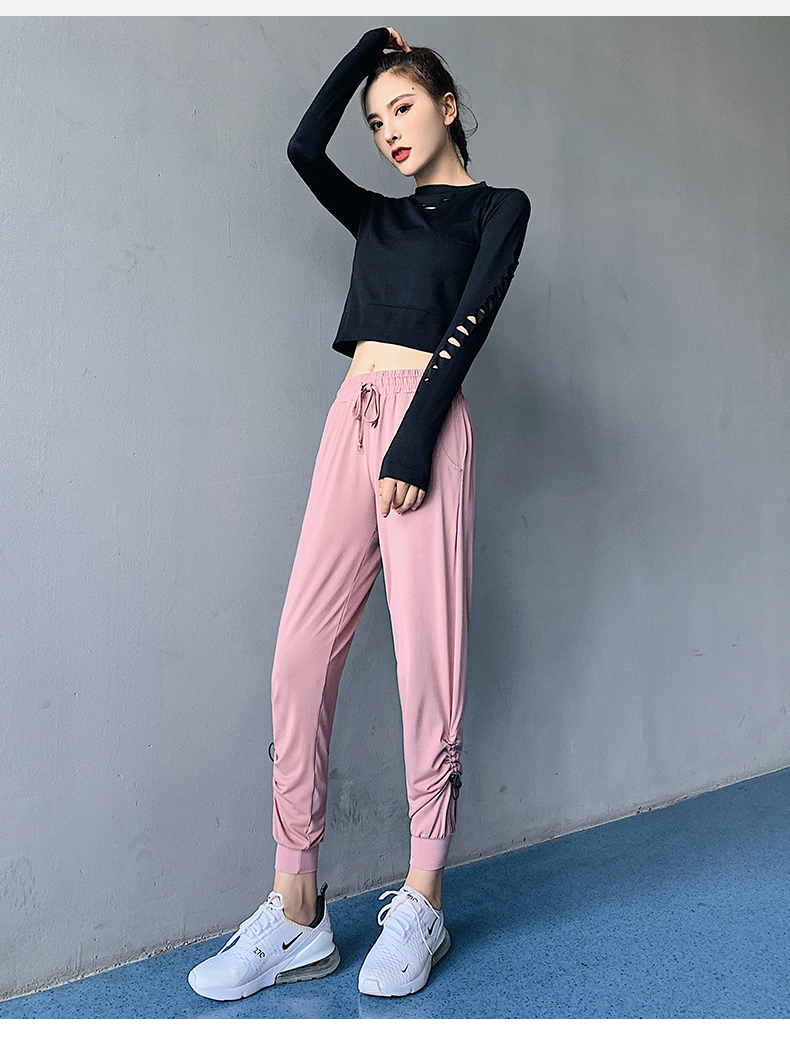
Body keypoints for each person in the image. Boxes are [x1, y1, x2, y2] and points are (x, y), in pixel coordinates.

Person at [188, 24, 530, 1002]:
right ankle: (297, 909)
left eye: (404, 106)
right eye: (377, 120)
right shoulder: (376, 217)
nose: (388, 131)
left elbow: (471, 324)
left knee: (429, 662)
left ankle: (423, 897)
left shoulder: (498, 209)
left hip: (427, 423)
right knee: (299, 654)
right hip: (351, 420)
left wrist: (415, 439)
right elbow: (304, 148)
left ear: (448, 107)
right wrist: (367, 50)